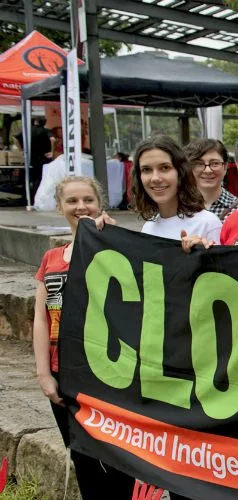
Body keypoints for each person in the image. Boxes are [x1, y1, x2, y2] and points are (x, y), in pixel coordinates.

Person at [33, 176, 136, 500]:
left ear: (100, 203)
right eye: (73, 201)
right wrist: (44, 374)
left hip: (105, 371)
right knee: (81, 457)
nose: (81, 207)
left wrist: (110, 235)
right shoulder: (51, 259)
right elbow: (40, 317)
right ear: (60, 206)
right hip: (63, 371)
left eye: (88, 200)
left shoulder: (114, 247)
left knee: (118, 458)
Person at [130, 135, 222, 245]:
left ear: (181, 172)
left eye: (165, 168)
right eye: (146, 170)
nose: (155, 178)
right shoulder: (148, 228)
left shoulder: (207, 223)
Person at [184, 138, 238, 221]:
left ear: (225, 167)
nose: (207, 170)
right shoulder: (178, 207)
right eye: (199, 164)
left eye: (215, 163)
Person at [28, 116, 52, 194]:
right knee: (42, 177)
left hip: (31, 157)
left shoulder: (29, 131)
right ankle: (39, 194)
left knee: (33, 177)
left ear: (35, 121)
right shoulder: (46, 131)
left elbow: (15, 138)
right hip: (44, 157)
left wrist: (21, 149)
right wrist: (52, 151)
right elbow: (53, 139)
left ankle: (32, 194)